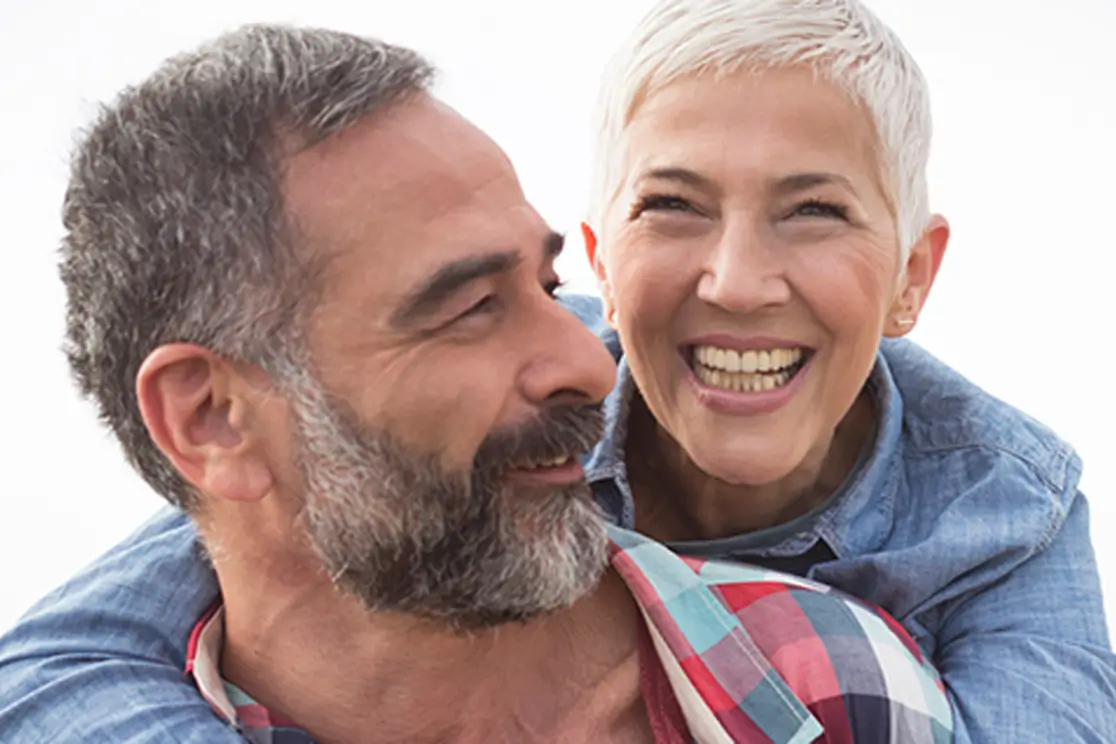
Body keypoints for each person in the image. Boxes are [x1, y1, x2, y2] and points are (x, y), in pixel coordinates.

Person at [1, 0, 1111, 739]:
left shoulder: (1004, 509)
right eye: (671, 206)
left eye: (815, 211)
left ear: (913, 277)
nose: (734, 280)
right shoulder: (540, 393)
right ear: (604, 263)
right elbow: (115, 613)